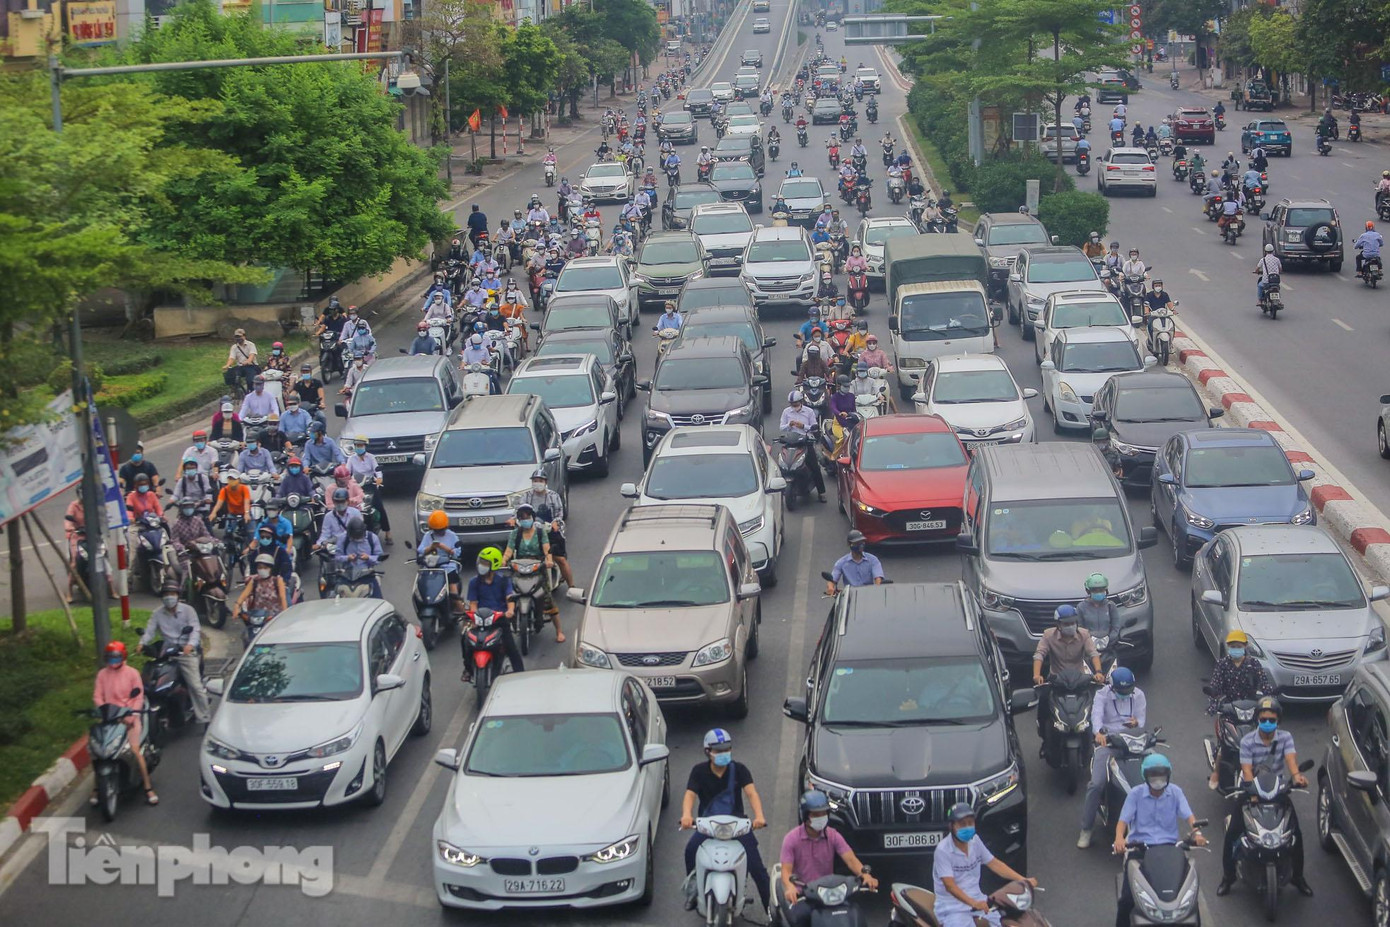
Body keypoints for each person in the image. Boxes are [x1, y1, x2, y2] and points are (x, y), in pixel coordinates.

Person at [1216, 696, 1312, 896]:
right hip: (1252, 789)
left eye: (1272, 720)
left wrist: (1297, 777)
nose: (1267, 723)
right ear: (1257, 720)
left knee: (1296, 835)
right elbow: (1247, 769)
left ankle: (1298, 877)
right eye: (1263, 719)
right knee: (1233, 832)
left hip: (1277, 789)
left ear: (1278, 720)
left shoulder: (1285, 738)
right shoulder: (1248, 741)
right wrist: (1251, 790)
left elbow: (1291, 762)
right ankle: (1228, 877)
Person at [680, 729, 771, 913]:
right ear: (708, 752)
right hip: (708, 826)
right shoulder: (698, 771)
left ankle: (771, 910)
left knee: (757, 868)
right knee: (690, 851)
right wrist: (686, 815)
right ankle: (694, 890)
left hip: (737, 825)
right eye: (719, 751)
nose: (723, 754)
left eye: (726, 749)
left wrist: (759, 816)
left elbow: (751, 793)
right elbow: (690, 795)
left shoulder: (739, 770)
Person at [1112, 754, 1207, 927]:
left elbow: (1190, 817)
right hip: (1139, 850)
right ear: (1145, 777)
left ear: (1168, 776)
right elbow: (1122, 822)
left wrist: (1197, 834)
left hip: (1170, 850)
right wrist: (1119, 839)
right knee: (1127, 899)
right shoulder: (1135, 794)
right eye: (1154, 778)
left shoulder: (1176, 792)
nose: (1158, 782)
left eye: (1161, 778)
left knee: (1189, 898)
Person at [778, 791, 878, 925]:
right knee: (799, 919)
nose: (821, 817)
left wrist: (865, 875)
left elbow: (850, 860)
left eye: (823, 813)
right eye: (816, 814)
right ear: (806, 816)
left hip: (830, 893)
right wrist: (790, 887)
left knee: (854, 914)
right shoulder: (791, 839)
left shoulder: (833, 836)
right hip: (804, 895)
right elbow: (786, 871)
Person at [933, 802, 1037, 927]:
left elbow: (994, 864)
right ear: (951, 826)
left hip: (979, 900)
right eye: (962, 824)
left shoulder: (975, 841)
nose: (967, 827)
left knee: (1004, 922)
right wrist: (973, 903)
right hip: (953, 908)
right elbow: (950, 886)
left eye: (970, 823)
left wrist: (1023, 880)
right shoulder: (943, 850)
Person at [1078, 667, 1146, 847]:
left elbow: (1141, 720)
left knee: (1159, 773)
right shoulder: (1102, 695)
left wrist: (1136, 722)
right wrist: (1098, 733)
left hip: (1133, 743)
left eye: (1129, 690)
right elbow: (1096, 718)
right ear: (1112, 687)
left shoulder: (1138, 695)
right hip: (1109, 743)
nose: (1126, 694)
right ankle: (1086, 829)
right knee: (1096, 784)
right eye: (1122, 691)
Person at [1206, 628, 1276, 787]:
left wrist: (1270, 700)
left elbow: (1265, 685)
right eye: (1232, 646)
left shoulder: (1254, 664)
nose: (1235, 649)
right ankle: (1216, 773)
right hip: (1229, 710)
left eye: (1238, 646)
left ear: (1245, 646)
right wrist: (1214, 703)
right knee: (1224, 743)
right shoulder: (1222, 664)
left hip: (1251, 711)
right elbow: (1214, 686)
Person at [92, 641, 157, 806]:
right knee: (98, 752)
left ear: (123, 657)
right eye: (110, 658)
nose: (112, 661)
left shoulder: (132, 673)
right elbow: (97, 696)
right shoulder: (102, 675)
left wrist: (131, 715)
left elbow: (138, 697)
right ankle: (96, 787)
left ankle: (148, 788)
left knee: (135, 751)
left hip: (129, 718)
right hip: (110, 719)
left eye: (116, 658)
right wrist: (103, 710)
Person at [141, 584, 212, 727]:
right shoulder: (157, 613)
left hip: (186, 653)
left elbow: (195, 630)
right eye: (166, 594)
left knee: (195, 685)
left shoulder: (188, 611)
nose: (169, 597)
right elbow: (150, 631)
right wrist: (141, 643)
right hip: (167, 653)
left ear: (178, 596)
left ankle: (205, 718)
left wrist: (190, 645)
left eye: (172, 594)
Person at [1032, 604, 1105, 737]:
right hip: (1056, 680)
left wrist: (1098, 672)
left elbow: (1093, 653)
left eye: (1072, 622)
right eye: (1066, 623)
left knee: (1095, 703)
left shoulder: (1084, 634)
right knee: (1043, 702)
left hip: (1079, 680)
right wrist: (1037, 675)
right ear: (1058, 625)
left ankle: (1097, 734)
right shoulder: (1048, 635)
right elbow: (1039, 655)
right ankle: (1043, 732)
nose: (1070, 626)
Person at [462, 547, 523, 682]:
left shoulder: (503, 581)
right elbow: (473, 603)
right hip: (480, 619)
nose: (481, 565)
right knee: (466, 639)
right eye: (480, 562)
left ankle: (521, 676)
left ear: (493, 565)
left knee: (511, 647)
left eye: (485, 563)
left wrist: (510, 611)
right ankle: (468, 669)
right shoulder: (474, 582)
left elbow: (509, 597)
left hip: (499, 618)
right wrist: (472, 618)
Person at [502, 503, 561, 641]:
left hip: (538, 568)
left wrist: (549, 560)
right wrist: (504, 561)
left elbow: (547, 549)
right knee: (510, 594)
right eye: (522, 518)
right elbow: (509, 551)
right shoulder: (515, 534)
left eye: (527, 517)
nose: (525, 520)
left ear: (533, 518)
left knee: (547, 598)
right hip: (519, 568)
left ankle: (559, 631)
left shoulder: (540, 533)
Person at [515, 469, 573, 590]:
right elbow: (517, 513)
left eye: (540, 481)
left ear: (545, 482)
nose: (538, 483)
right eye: (535, 481)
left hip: (549, 532)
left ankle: (571, 586)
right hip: (530, 533)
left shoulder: (553, 496)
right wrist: (514, 520)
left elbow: (559, 513)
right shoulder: (525, 497)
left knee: (561, 559)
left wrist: (555, 523)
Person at [780, 391, 827, 502]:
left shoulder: (809, 412)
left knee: (814, 466)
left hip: (806, 441)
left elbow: (814, 427)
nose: (794, 406)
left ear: (800, 402)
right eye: (792, 404)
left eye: (796, 403)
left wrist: (803, 426)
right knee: (783, 464)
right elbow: (782, 427)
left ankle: (821, 492)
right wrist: (789, 425)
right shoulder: (786, 412)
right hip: (791, 442)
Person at [345, 435, 391, 545]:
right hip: (356, 486)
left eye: (360, 445)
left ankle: (388, 532)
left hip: (370, 485)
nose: (358, 447)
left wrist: (379, 478)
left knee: (379, 507)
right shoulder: (351, 459)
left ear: (365, 446)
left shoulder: (371, 457)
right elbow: (347, 472)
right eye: (357, 445)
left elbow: (377, 470)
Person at [418, 510, 463, 609]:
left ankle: (460, 607)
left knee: (452, 585)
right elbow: (420, 551)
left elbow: (456, 553)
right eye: (436, 530)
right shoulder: (428, 536)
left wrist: (443, 547)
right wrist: (431, 547)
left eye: (441, 530)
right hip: (431, 566)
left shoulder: (452, 536)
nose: (439, 532)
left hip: (447, 566)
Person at [234, 552, 288, 628]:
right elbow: (244, 594)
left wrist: (284, 615)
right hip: (257, 617)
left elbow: (283, 598)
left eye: (265, 568)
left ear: (271, 568)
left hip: (274, 618)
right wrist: (237, 606)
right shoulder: (254, 580)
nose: (262, 570)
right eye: (260, 567)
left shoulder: (277, 580)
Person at [335, 517, 383, 597]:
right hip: (347, 575)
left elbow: (379, 557)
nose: (357, 539)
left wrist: (368, 558)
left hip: (366, 575)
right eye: (355, 537)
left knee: (378, 599)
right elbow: (337, 557)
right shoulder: (342, 538)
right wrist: (347, 558)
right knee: (335, 597)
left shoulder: (373, 538)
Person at [826, 530, 883, 595]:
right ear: (849, 544)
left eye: (862, 542)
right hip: (849, 597)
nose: (860, 545)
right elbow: (832, 580)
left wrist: (878, 589)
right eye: (857, 543)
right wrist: (830, 588)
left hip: (868, 595)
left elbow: (878, 577)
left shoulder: (873, 560)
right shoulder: (841, 563)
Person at [1076, 572, 1122, 640]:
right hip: (1088, 644)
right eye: (1095, 590)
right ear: (1088, 591)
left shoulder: (1111, 606)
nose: (1098, 592)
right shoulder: (1081, 607)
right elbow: (1079, 627)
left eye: (1101, 590)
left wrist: (1109, 639)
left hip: (1109, 644)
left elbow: (1116, 626)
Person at [221, 328, 259, 394]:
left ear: (244, 336)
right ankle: (236, 391)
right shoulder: (234, 347)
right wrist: (228, 365)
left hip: (251, 366)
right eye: (236, 337)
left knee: (250, 380)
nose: (238, 338)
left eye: (239, 336)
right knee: (230, 375)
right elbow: (232, 357)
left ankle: (252, 393)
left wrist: (248, 361)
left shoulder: (251, 345)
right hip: (241, 367)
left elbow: (252, 355)